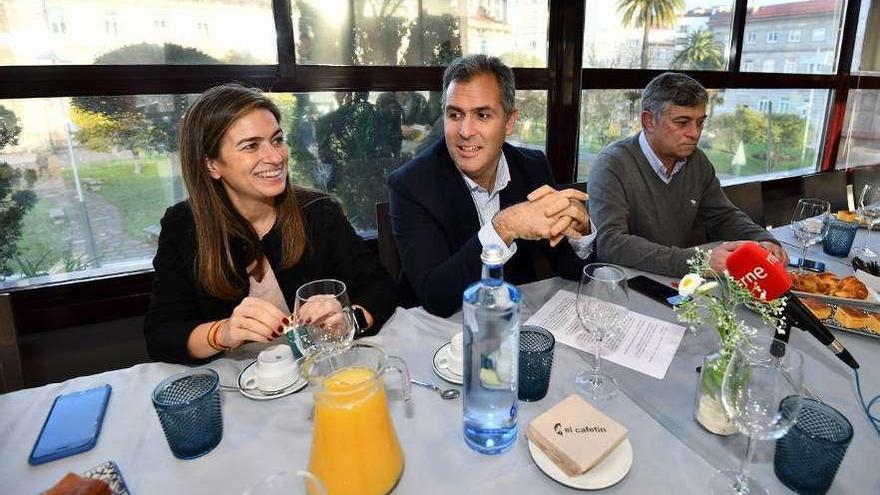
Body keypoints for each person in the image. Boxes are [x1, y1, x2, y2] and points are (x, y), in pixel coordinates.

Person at [144, 84, 396, 365]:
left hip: (321, 369)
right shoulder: (183, 227)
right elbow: (161, 335)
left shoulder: (319, 212)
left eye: (277, 140)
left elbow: (380, 286)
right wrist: (223, 333)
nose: (276, 157)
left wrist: (349, 320)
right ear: (211, 165)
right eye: (251, 146)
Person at [387, 54, 594, 317]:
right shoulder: (410, 185)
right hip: (440, 332)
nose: (465, 130)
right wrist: (503, 227)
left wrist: (582, 233)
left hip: (517, 320)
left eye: (482, 115)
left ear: (509, 121)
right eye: (455, 114)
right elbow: (436, 297)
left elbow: (568, 269)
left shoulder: (532, 166)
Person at [588, 72, 788, 277]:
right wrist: (696, 262)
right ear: (649, 121)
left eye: (700, 122)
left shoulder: (697, 160)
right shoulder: (611, 164)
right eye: (682, 122)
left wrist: (763, 239)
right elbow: (610, 243)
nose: (695, 133)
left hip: (677, 280)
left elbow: (722, 216)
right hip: (625, 283)